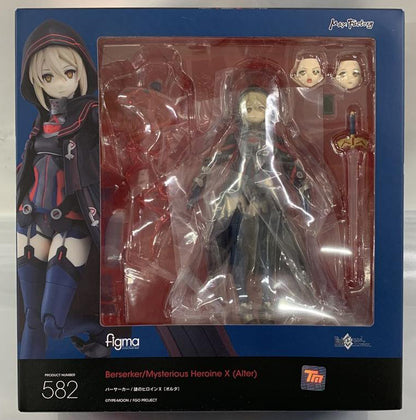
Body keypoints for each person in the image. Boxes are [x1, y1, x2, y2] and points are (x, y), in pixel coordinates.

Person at [17, 20, 108, 358]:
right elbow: (27, 167)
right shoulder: (40, 122)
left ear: (81, 72)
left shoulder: (92, 113)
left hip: (72, 223)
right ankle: (31, 383)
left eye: (68, 73)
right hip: (29, 221)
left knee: (52, 324)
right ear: (36, 81)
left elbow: (120, 141)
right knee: (31, 320)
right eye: (47, 76)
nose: (59, 83)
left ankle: (98, 330)